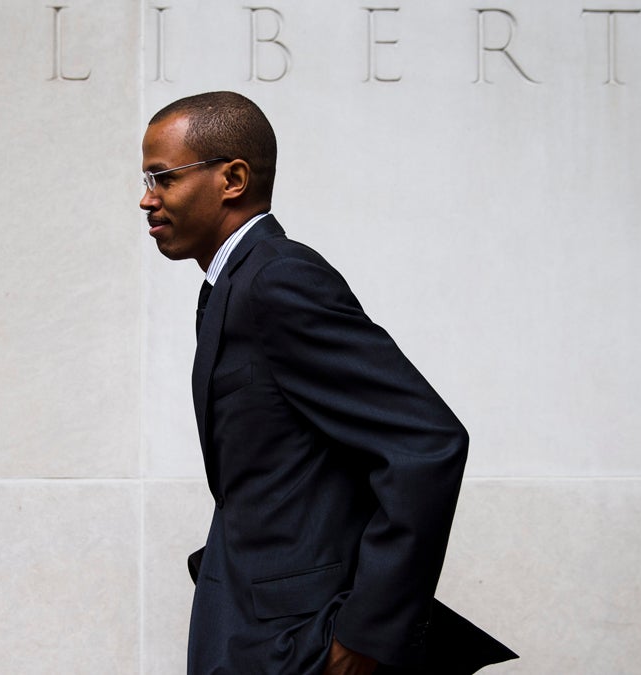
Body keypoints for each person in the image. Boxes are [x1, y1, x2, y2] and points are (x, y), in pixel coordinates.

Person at [140, 90, 516, 674]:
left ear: (232, 178)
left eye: (163, 178)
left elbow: (426, 444)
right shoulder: (232, 286)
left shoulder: (278, 281)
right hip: (250, 632)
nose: (147, 198)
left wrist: (365, 634)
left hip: (299, 647)